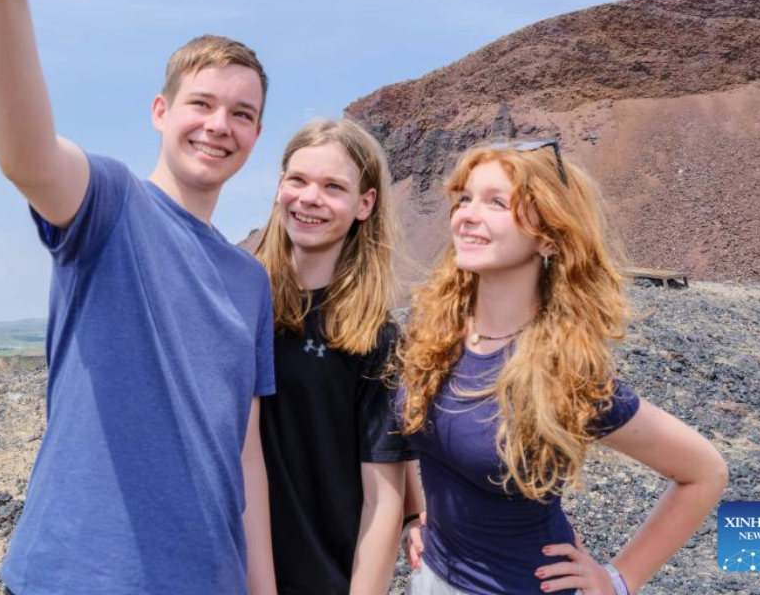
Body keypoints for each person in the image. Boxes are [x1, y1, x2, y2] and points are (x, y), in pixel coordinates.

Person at [0, 0, 277, 593]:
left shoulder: (249, 279)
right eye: (200, 103)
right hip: (78, 573)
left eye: (241, 113)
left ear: (257, 136)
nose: (218, 125)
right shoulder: (110, 203)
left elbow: (246, 455)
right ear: (159, 111)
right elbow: (28, 156)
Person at [397, 140, 728, 595]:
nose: (467, 215)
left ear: (548, 237)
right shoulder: (436, 332)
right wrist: (416, 516)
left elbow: (704, 472)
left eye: (496, 202)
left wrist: (619, 579)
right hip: (430, 575)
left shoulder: (563, 369)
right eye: (465, 198)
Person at [252, 119, 417, 594]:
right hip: (223, 572)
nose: (309, 199)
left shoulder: (374, 335)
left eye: (333, 187)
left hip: (322, 577)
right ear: (280, 186)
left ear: (365, 203)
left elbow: (382, 499)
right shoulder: (238, 302)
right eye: (298, 180)